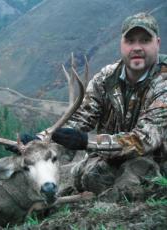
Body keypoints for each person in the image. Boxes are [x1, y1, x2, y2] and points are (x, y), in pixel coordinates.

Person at [9, 12, 167, 199]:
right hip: (113, 156)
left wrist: (87, 142)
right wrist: (40, 138)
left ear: (157, 43)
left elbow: (143, 140)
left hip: (156, 158)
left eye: (145, 41)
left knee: (129, 179)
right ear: (122, 44)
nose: (137, 47)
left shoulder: (163, 82)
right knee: (82, 176)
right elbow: (82, 117)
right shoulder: (106, 77)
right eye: (130, 41)